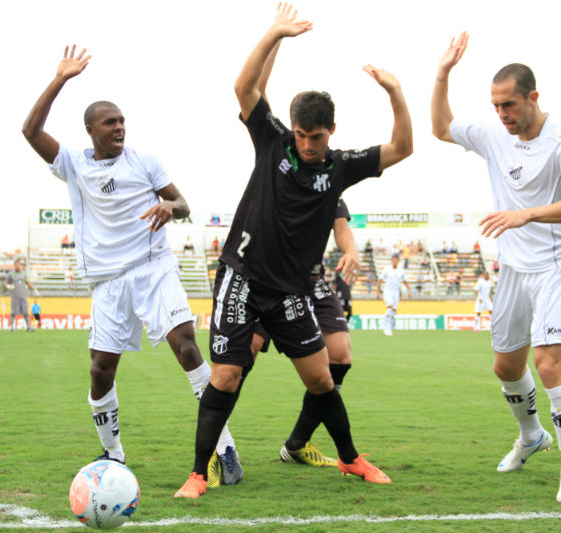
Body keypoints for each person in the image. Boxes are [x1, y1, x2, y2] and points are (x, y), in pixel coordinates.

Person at [174, 2, 412, 498]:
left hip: (289, 291)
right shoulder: (273, 140)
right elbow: (244, 88)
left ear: (332, 132)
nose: (306, 144)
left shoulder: (341, 166)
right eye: (301, 134)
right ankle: (198, 473)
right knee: (227, 373)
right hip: (242, 278)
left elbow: (402, 148)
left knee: (322, 379)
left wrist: (394, 92)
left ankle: (350, 459)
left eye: (315, 137)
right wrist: (274, 34)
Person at [22, 44, 241, 483]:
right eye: (110, 122)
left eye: (122, 120)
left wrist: (169, 207)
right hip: (108, 281)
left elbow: (183, 203)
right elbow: (30, 131)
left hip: (153, 268)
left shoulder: (145, 161)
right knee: (100, 369)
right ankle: (113, 454)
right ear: (91, 130)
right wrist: (60, 79)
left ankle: (225, 448)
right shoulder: (74, 165)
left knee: (187, 347)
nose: (119, 127)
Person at [431, 32, 561, 503]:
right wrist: (443, 73)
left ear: (533, 97)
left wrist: (526, 214)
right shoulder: (494, 136)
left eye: (509, 104)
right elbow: (441, 127)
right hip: (514, 268)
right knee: (506, 365)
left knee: (549, 365)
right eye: (496, 106)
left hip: (557, 265)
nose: (502, 114)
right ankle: (531, 437)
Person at [253, 198, 360, 468]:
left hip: (311, 281)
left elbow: (341, 227)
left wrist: (351, 250)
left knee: (340, 355)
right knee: (243, 356)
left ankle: (296, 444)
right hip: (268, 279)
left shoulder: (329, 184)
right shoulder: (274, 182)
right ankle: (219, 449)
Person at [376, 254, 411, 336]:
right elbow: (380, 280)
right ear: (391, 261)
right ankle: (385, 327)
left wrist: (409, 290)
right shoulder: (387, 269)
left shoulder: (401, 271)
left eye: (396, 260)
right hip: (388, 291)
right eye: (393, 260)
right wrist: (377, 291)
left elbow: (404, 281)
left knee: (394, 310)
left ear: (398, 261)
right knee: (390, 306)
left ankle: (390, 328)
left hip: (396, 293)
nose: (394, 262)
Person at [4, 259, 38, 332]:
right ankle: (11, 327)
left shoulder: (23, 274)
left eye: (19, 265)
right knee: (13, 312)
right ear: (14, 265)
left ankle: (28, 327)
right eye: (17, 265)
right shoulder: (11, 274)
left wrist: (33, 289)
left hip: (23, 295)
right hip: (14, 296)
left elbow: (27, 282)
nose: (18, 266)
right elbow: (6, 284)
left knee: (25, 311)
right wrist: (9, 286)